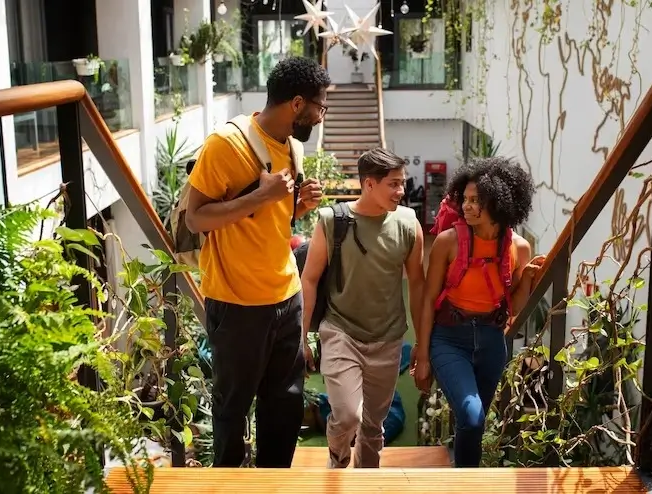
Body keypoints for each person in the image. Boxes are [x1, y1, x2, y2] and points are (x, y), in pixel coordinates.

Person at [184, 56, 330, 468]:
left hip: (286, 294)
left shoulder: (293, 149)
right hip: (237, 302)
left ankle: (274, 483)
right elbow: (197, 217)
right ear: (297, 104)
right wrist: (260, 197)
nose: (321, 116)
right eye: (320, 106)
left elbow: (270, 224)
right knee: (233, 409)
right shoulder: (226, 145)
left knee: (284, 408)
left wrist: (297, 206)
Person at [411, 157, 543, 468]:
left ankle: (462, 474)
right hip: (449, 338)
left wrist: (526, 280)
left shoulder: (519, 248)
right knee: (471, 416)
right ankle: (466, 483)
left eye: (476, 201)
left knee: (474, 422)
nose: (467, 207)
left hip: (491, 342)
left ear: (497, 203)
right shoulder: (448, 242)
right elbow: (429, 300)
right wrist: (423, 355)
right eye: (465, 200)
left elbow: (515, 307)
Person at [300, 147, 425, 468]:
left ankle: (368, 478)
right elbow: (310, 279)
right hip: (341, 331)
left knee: (374, 424)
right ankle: (338, 463)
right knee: (346, 415)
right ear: (369, 184)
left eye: (402, 183)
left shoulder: (408, 223)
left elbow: (418, 285)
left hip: (388, 338)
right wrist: (302, 338)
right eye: (393, 184)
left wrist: (423, 344)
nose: (401, 191)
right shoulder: (331, 220)